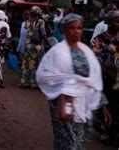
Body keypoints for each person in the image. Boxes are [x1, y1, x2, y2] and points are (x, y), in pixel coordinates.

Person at [37, 14, 107, 150]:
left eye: (79, 28)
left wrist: (102, 105)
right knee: (67, 142)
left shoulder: (86, 52)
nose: (76, 31)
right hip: (62, 103)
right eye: (71, 28)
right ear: (64, 30)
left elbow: (94, 79)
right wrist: (66, 89)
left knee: (79, 141)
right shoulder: (56, 52)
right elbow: (43, 76)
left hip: (82, 103)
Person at [92, 10, 119, 144]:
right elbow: (95, 57)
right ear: (108, 22)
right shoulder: (101, 38)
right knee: (107, 105)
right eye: (117, 20)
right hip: (106, 79)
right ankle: (106, 132)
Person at [19, 6, 48, 89]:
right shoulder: (40, 21)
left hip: (28, 46)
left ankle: (25, 82)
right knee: (37, 65)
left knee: (27, 64)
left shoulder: (26, 22)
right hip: (37, 46)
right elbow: (43, 34)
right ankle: (34, 83)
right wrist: (48, 43)